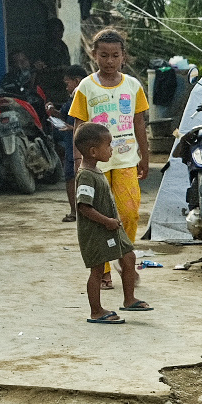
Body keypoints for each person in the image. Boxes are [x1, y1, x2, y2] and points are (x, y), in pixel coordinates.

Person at [67, 30, 149, 290]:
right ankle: (102, 270)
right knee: (98, 216)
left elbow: (139, 123)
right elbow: (79, 126)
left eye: (115, 55)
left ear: (123, 56)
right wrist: (78, 159)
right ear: (94, 55)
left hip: (126, 160)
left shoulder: (133, 86)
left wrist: (144, 156)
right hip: (96, 165)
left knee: (129, 212)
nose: (109, 61)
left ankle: (124, 258)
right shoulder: (86, 87)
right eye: (104, 55)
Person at [73, 122, 150, 323]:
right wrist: (107, 221)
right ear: (93, 151)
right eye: (108, 145)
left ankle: (129, 299)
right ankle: (96, 311)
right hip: (96, 231)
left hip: (111, 229)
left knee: (129, 256)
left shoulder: (95, 171)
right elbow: (83, 207)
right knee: (97, 270)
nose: (111, 149)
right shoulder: (86, 176)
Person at [57, 63, 87, 222]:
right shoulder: (71, 99)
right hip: (71, 145)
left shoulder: (88, 96)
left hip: (84, 146)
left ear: (76, 81)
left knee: (85, 178)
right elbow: (64, 115)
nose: (66, 86)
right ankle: (74, 211)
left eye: (67, 82)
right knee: (70, 177)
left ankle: (84, 212)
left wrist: (72, 128)